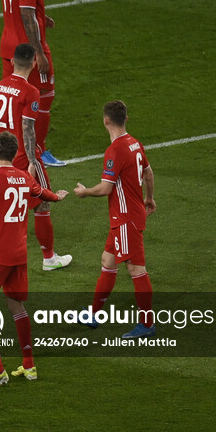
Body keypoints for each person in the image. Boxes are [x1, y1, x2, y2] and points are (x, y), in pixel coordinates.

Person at [0, 132, 69, 390]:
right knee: (16, 306)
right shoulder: (24, 177)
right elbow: (42, 193)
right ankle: (29, 364)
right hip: (19, 254)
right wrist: (58, 197)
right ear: (14, 152)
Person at [73, 101, 156, 338]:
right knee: (108, 260)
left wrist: (85, 191)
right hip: (127, 215)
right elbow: (148, 173)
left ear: (105, 120)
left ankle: (147, 323)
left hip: (126, 217)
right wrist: (149, 198)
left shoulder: (116, 150)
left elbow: (106, 188)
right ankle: (93, 314)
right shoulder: (135, 143)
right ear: (126, 119)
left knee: (135, 268)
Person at [0, 43, 73, 271]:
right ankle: (49, 258)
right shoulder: (31, 92)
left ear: (11, 62)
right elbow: (28, 129)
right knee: (42, 205)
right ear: (34, 63)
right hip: (20, 156)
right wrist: (31, 161)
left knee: (3, 206)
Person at [0, 0, 65, 168]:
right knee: (44, 96)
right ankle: (39, 151)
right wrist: (39, 53)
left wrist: (40, 14)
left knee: (14, 98)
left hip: (8, 46)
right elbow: (26, 14)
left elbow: (18, 6)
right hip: (28, 50)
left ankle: (10, 149)